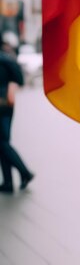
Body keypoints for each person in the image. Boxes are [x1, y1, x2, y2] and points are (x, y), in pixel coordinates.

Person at [0, 46, 34, 193]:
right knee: (2, 143)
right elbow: (18, 79)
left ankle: (25, 172)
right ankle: (8, 182)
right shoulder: (6, 58)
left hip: (2, 105)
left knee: (2, 143)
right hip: (8, 104)